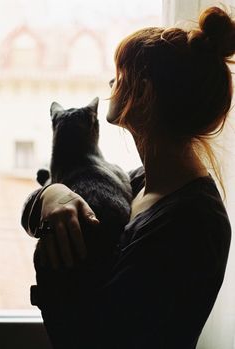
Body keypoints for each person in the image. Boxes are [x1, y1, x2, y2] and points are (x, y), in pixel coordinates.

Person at [22, 6, 234, 349]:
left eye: (119, 75)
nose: (110, 84)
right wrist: (52, 195)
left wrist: (52, 268)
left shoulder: (193, 225)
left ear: (145, 93)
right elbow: (37, 211)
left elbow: (97, 337)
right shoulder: (136, 182)